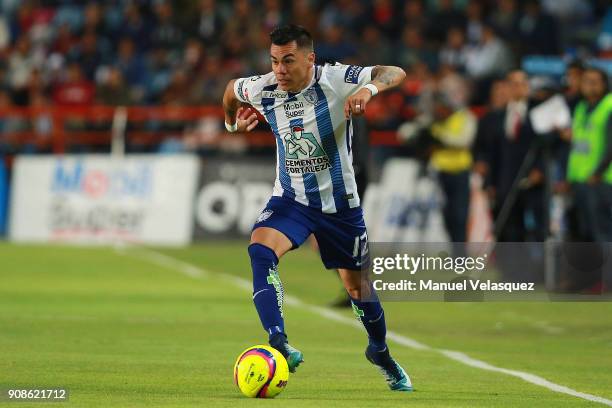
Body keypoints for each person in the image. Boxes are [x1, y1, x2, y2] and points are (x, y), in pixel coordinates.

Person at [222, 24, 411, 391]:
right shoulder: (262, 88)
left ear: (309, 58)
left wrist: (369, 90)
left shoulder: (336, 79)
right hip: (291, 199)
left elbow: (395, 73)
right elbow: (231, 91)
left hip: (340, 206)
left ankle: (380, 352)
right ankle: (279, 342)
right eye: (275, 60)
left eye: (288, 60)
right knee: (260, 249)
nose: (279, 69)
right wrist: (231, 125)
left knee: (357, 288)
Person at [566, 67, 612, 242]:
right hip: (580, 179)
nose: (590, 86)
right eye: (586, 81)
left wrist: (598, 173)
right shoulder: (581, 107)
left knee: (603, 234)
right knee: (585, 234)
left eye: (595, 82)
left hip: (601, 180)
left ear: (604, 84)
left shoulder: (609, 106)